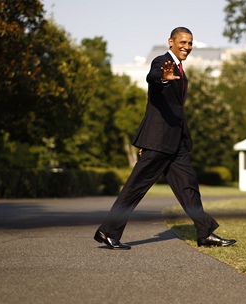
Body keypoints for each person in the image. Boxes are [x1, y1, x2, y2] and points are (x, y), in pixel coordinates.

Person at [93, 27, 237, 250]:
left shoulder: (180, 69)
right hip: (159, 142)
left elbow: (173, 108)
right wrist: (163, 77)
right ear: (171, 41)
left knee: (188, 187)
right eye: (182, 42)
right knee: (135, 188)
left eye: (190, 43)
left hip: (175, 143)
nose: (186, 47)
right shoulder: (162, 62)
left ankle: (205, 233)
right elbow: (152, 77)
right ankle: (108, 231)